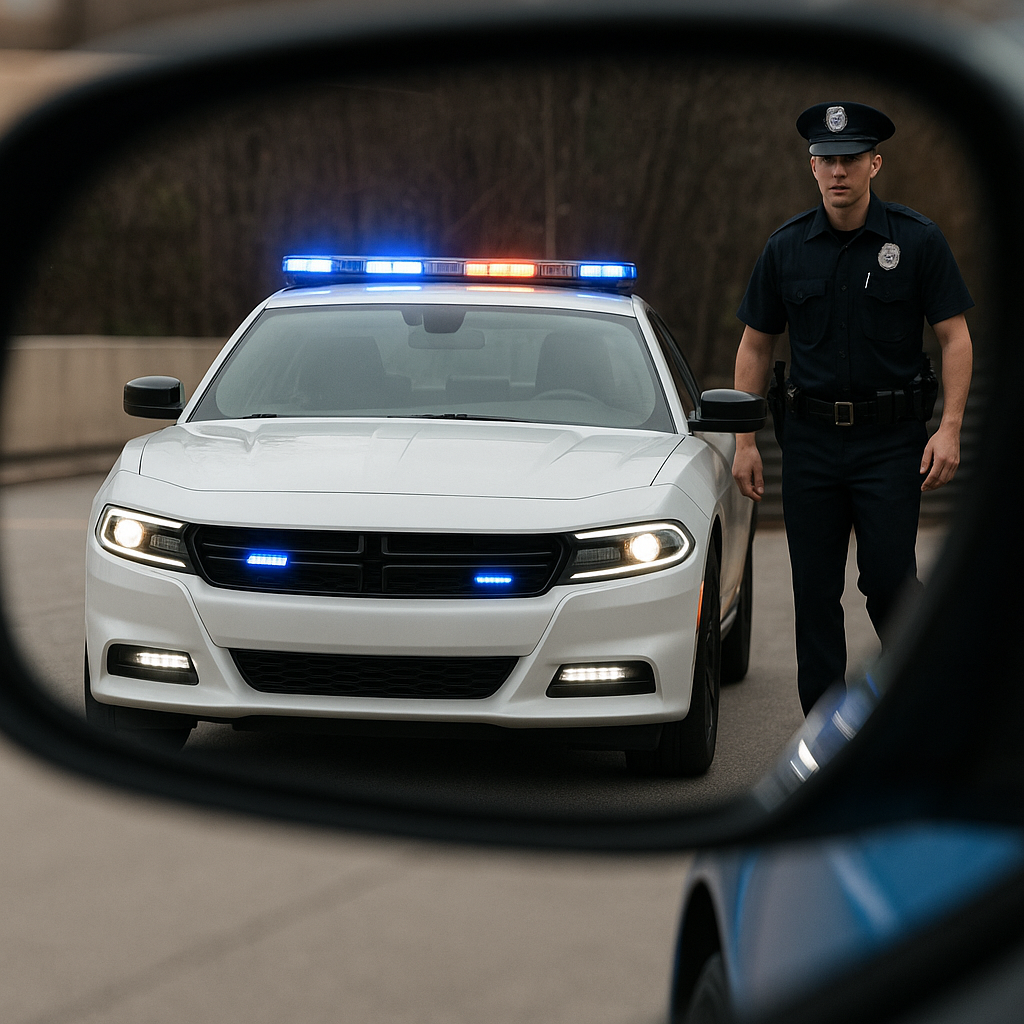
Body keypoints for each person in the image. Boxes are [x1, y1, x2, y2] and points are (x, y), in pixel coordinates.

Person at [732, 101, 974, 715]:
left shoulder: (916, 241)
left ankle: (914, 711)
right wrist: (743, 440)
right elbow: (755, 344)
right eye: (827, 160)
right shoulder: (785, 248)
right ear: (812, 168)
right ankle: (824, 729)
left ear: (875, 163)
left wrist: (948, 428)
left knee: (889, 582)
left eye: (851, 159)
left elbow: (955, 336)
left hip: (890, 442)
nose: (838, 171)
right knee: (814, 594)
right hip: (810, 444)